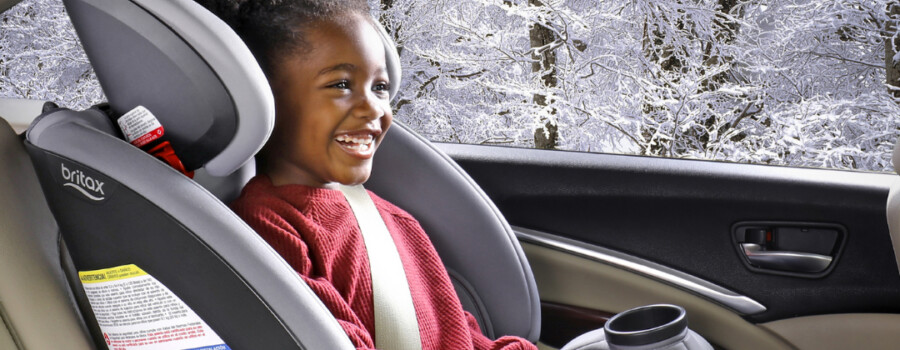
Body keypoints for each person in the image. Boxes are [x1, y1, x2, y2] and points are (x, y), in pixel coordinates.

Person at [198, 1, 538, 349]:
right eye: (341, 84)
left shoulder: (396, 222)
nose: (374, 108)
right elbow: (327, 341)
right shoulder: (267, 227)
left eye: (380, 87)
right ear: (265, 100)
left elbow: (458, 333)